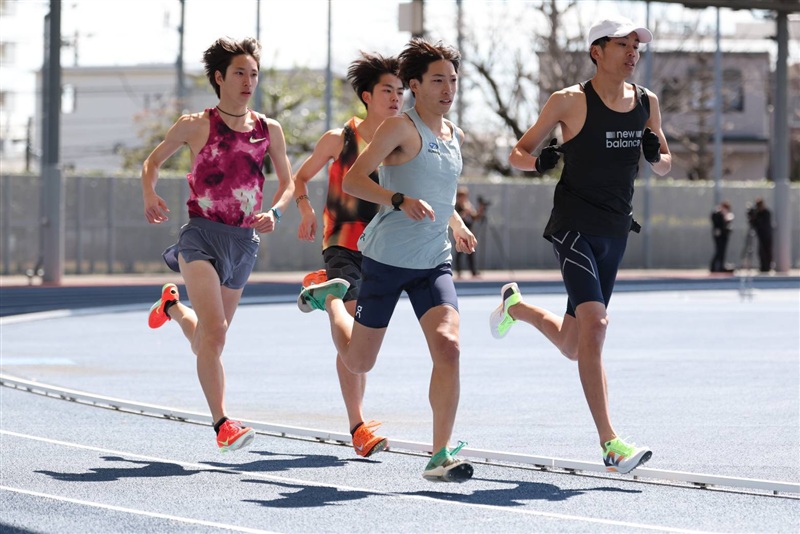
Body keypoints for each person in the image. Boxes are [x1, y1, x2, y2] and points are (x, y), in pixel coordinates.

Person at [298, 38, 478, 482]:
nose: (447, 88)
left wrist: (456, 223)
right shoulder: (399, 128)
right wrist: (398, 198)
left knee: (449, 347)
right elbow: (356, 179)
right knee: (359, 363)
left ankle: (439, 456)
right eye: (438, 80)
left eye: (453, 80)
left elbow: (437, 192)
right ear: (415, 84)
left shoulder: (454, 136)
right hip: (385, 259)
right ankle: (332, 300)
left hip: (433, 261)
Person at [497, 15, 671, 474]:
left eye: (638, 46)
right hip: (573, 225)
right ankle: (611, 443)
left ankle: (516, 308)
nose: (633, 53)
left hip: (615, 231)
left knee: (576, 344)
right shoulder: (568, 101)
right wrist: (541, 162)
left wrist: (657, 156)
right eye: (624, 44)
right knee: (596, 325)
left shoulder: (647, 102)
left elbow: (666, 162)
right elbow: (518, 153)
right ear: (597, 50)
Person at [141, 37, 294, 452]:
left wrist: (276, 213)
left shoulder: (269, 129)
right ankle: (222, 424)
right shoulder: (196, 124)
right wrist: (150, 193)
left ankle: (171, 307)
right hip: (202, 234)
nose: (249, 81)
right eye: (240, 73)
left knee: (211, 339)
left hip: (244, 242)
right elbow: (153, 161)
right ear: (219, 78)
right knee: (218, 331)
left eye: (254, 74)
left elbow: (288, 183)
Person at [292, 52, 405, 458]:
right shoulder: (339, 138)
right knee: (357, 340)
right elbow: (301, 176)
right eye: (387, 91)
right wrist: (305, 209)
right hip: (342, 242)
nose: (396, 97)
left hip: (384, 249)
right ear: (366, 95)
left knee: (361, 346)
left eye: (400, 90)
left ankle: (325, 292)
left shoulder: (402, 139)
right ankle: (357, 425)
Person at [454, 186, 482, 278]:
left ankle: (473, 272)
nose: (464, 198)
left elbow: (475, 217)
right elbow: (455, 219)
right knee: (459, 252)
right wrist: (465, 212)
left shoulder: (468, 204)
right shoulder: (456, 206)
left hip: (469, 230)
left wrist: (479, 210)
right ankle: (458, 272)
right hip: (460, 232)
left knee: (471, 252)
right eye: (462, 196)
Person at [710, 200, 734, 273]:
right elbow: (716, 222)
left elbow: (726, 224)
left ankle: (721, 265)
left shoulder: (726, 214)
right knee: (719, 251)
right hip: (719, 236)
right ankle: (714, 266)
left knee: (722, 251)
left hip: (724, 235)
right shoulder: (717, 213)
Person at [750, 197, 773, 272]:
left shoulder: (766, 213)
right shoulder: (758, 214)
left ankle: (767, 266)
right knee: (761, 252)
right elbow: (754, 224)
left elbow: (763, 224)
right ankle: (763, 266)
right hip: (760, 235)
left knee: (767, 251)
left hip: (766, 235)